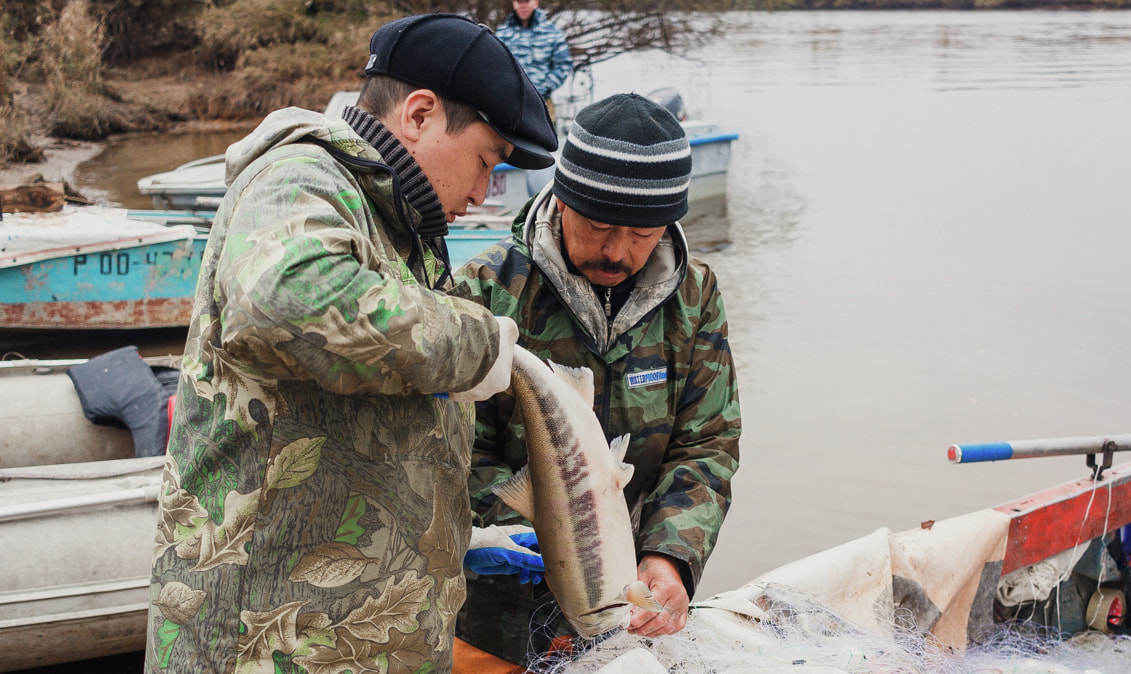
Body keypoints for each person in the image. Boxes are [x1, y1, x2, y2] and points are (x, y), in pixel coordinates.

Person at [143, 14, 560, 673]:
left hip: (360, 644)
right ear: (419, 114)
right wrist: (475, 344)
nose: (483, 193)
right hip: (267, 648)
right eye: (485, 162)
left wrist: (459, 527)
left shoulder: (399, 223)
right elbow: (283, 299)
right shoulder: (299, 179)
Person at [450, 93, 741, 670]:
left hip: (631, 612)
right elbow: (447, 447)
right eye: (599, 224)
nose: (616, 250)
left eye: (641, 232)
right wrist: (519, 528)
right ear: (561, 199)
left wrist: (671, 557)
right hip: (490, 621)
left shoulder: (696, 297)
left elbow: (707, 445)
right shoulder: (483, 292)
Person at [496, 0, 574, 120]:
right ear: (513, 3)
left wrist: (546, 87)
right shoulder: (502, 34)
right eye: (519, 2)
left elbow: (564, 65)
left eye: (526, 1)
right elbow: (495, 66)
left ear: (536, 3)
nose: (523, 6)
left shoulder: (552, 33)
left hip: (542, 105)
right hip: (509, 105)